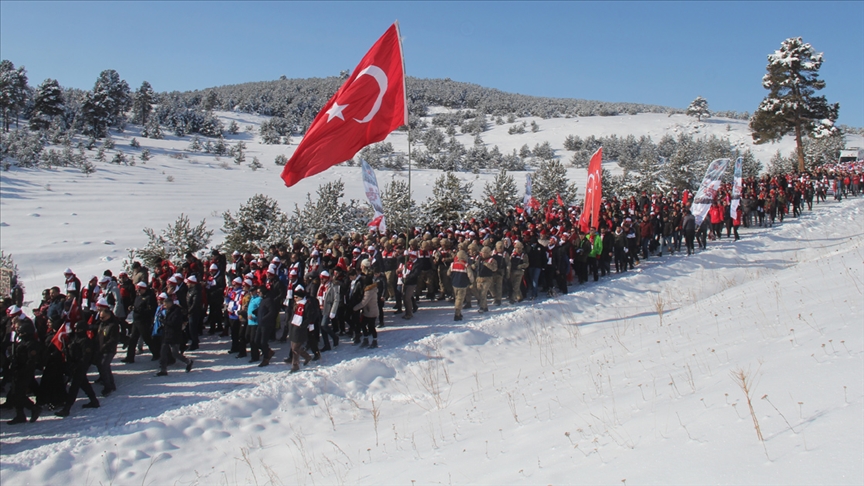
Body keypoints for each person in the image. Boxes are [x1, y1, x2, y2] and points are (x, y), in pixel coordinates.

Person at [55, 320, 100, 417]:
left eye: (78, 329)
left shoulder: (86, 342)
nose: (76, 330)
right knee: (84, 384)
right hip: (74, 365)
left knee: (74, 388)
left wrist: (78, 366)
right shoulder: (75, 339)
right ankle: (94, 400)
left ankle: (67, 408)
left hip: (80, 367)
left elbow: (85, 357)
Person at [5, 307, 42, 424]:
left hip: (23, 371)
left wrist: (22, 369)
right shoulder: (19, 339)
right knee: (16, 393)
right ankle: (20, 414)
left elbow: (30, 360)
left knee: (18, 394)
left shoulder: (30, 343)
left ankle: (33, 408)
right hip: (17, 369)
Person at [155, 293, 194, 376]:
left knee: (175, 353)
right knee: (163, 352)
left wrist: (164, 321)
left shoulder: (177, 311)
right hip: (166, 334)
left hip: (174, 335)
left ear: (170, 303)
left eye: (165, 304)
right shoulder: (168, 310)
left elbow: (174, 323)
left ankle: (188, 362)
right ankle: (163, 370)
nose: (164, 306)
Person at [123, 281, 159, 363]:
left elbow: (151, 310)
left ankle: (156, 353)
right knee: (133, 339)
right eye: (137, 290)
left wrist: (139, 310)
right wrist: (132, 307)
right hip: (136, 320)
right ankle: (130, 357)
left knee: (147, 338)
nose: (138, 292)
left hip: (143, 321)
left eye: (139, 290)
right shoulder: (138, 296)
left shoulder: (149, 297)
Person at [285, 285, 318, 372]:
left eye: (296, 297)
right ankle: (307, 357)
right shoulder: (296, 304)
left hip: (300, 329)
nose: (294, 298)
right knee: (294, 348)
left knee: (295, 349)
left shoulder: (306, 305)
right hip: (293, 327)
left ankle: (295, 366)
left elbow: (309, 317)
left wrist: (303, 325)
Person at [353, 263, 380, 348]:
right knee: (363, 324)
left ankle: (375, 341)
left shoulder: (369, 291)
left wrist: (355, 308)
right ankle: (366, 339)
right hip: (367, 311)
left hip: (371, 311)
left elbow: (364, 302)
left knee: (371, 327)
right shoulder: (368, 289)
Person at [448, 250, 474, 321]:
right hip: (462, 284)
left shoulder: (453, 264)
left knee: (457, 298)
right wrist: (472, 282)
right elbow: (470, 275)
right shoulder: (466, 265)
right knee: (460, 300)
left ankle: (459, 312)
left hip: (454, 284)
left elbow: (448, 273)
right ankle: (457, 314)